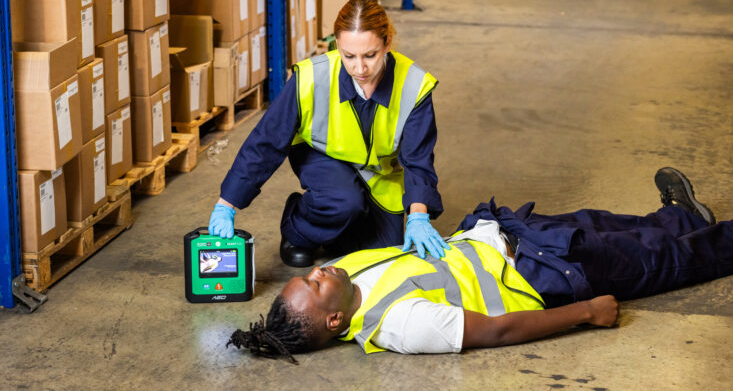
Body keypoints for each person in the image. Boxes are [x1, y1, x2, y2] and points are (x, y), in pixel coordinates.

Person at [226, 167, 733, 362]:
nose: (318, 271)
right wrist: (586, 314)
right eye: (314, 286)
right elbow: (497, 331)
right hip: (545, 274)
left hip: (508, 234)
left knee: (611, 224)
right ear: (334, 321)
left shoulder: (346, 272)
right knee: (664, 260)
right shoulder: (399, 325)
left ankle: (681, 215)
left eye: (307, 275)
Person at [208, 0, 450, 267]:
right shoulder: (312, 77)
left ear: (387, 43)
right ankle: (297, 228)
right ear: (337, 45)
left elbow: (418, 159)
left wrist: (417, 215)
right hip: (321, 156)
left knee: (383, 254)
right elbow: (267, 141)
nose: (360, 68)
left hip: (379, 172)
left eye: (370, 55)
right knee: (343, 201)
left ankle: (339, 225)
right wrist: (227, 203)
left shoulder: (414, 84)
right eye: (349, 56)